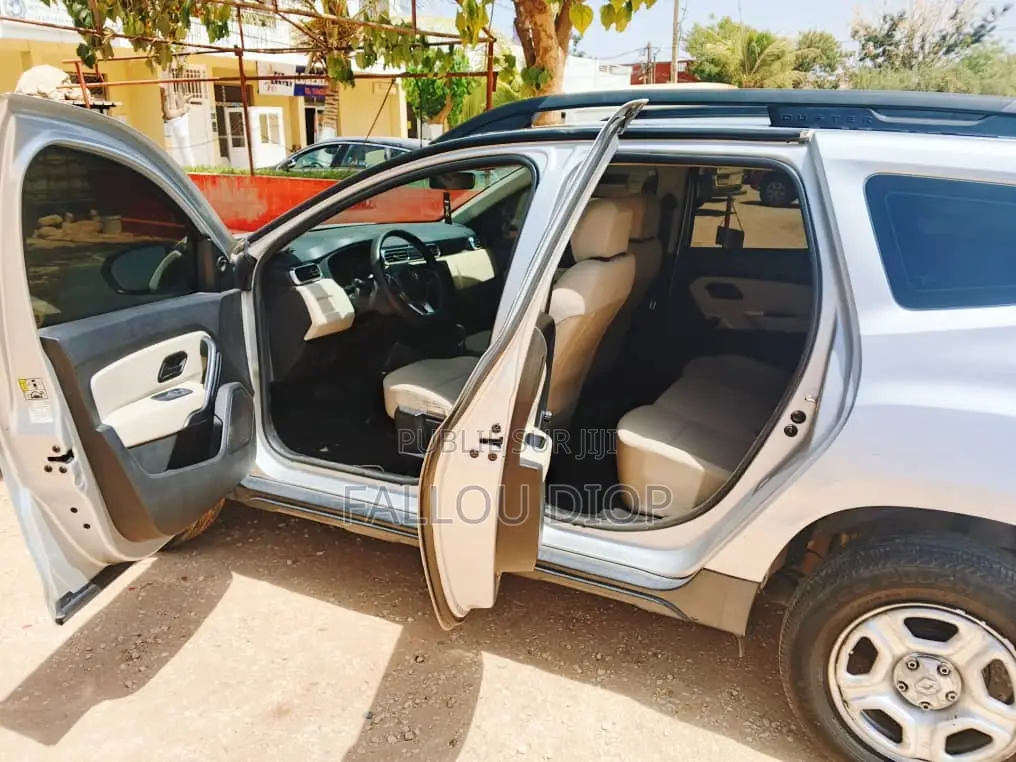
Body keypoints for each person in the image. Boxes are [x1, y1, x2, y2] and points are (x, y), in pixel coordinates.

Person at [160, 82, 195, 166]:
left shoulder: (183, 110)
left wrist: (163, 95)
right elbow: (168, 113)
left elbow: (168, 113)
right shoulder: (181, 112)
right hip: (178, 123)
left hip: (178, 122)